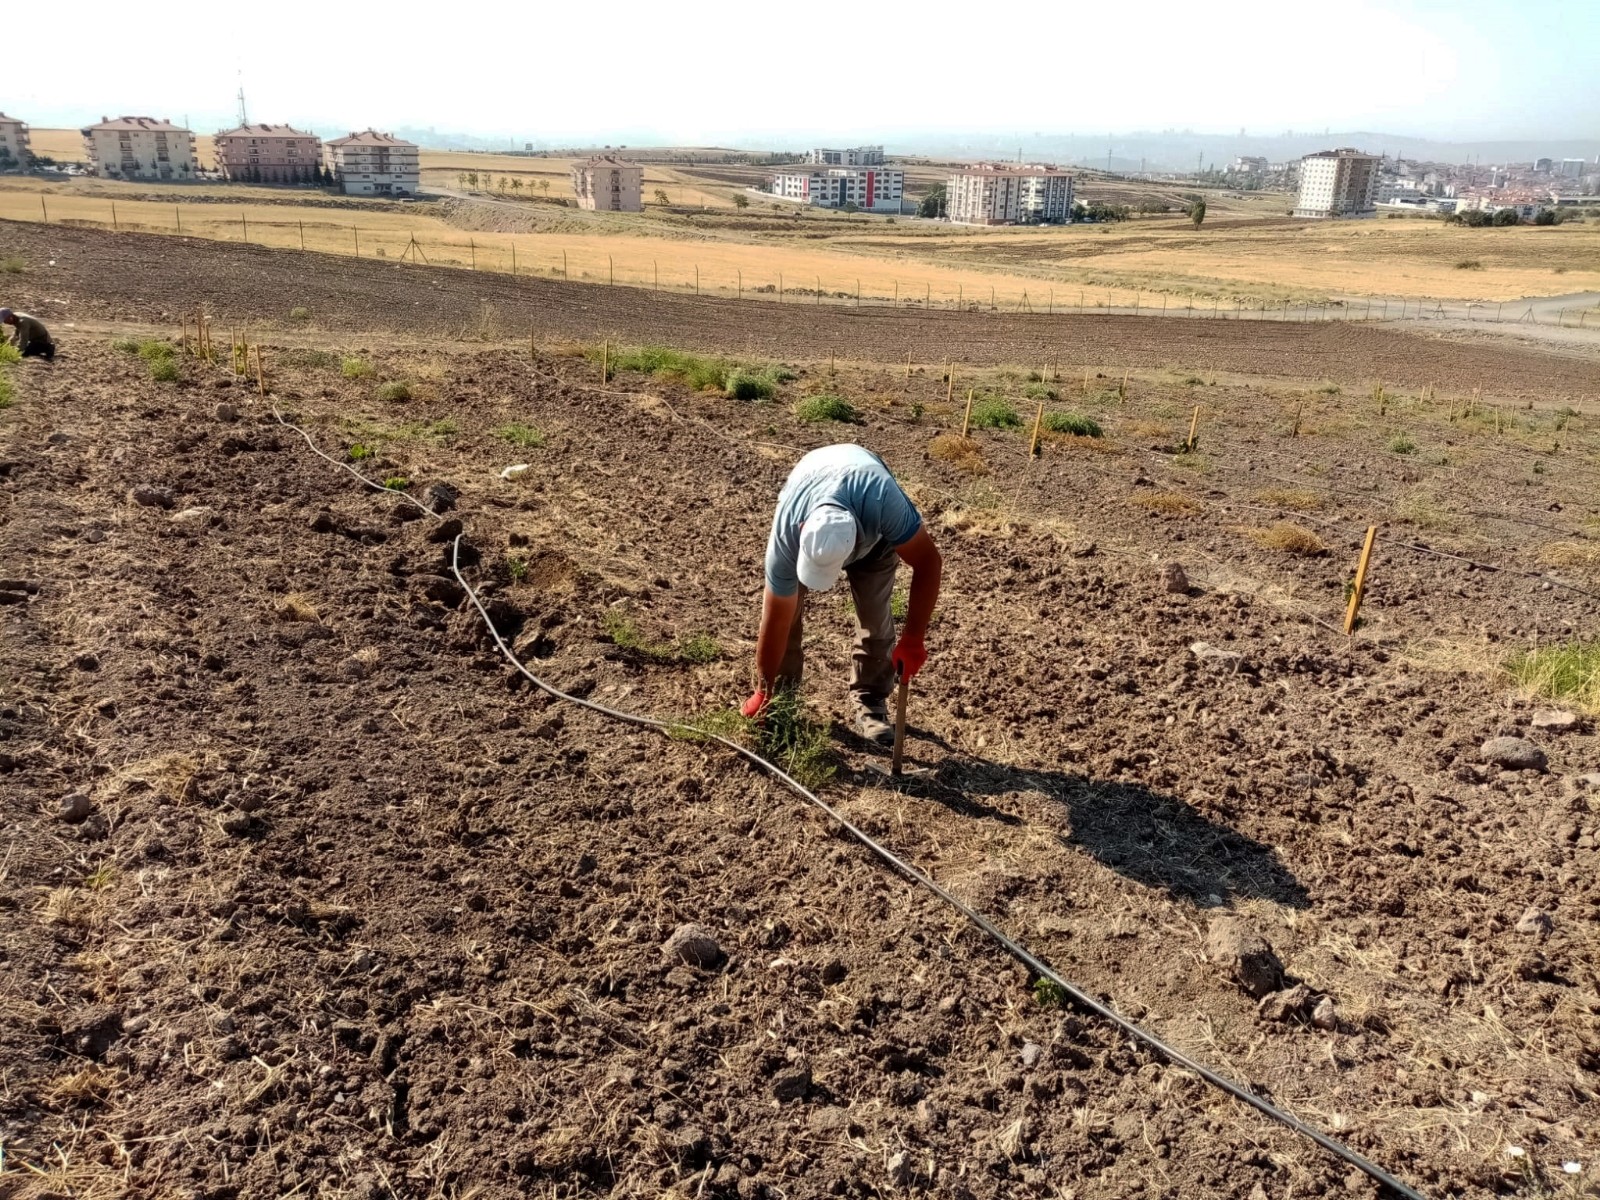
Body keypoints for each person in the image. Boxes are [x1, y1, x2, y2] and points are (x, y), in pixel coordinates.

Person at [744, 443, 942, 745]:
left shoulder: (883, 501)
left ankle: (871, 699)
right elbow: (776, 620)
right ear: (802, 528)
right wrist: (762, 689)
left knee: (875, 613)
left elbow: (928, 562)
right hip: (817, 477)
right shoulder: (788, 533)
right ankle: (779, 701)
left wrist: (913, 639)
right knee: (790, 617)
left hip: (873, 530)